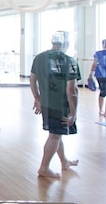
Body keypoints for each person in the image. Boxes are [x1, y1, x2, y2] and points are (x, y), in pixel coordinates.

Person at [30, 31, 80, 179]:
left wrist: (37, 98)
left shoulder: (39, 58)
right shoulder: (70, 61)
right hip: (60, 105)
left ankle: (64, 161)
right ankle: (44, 168)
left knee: (57, 133)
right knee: (55, 136)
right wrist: (73, 112)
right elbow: (72, 90)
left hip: (45, 102)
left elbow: (33, 80)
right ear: (66, 44)